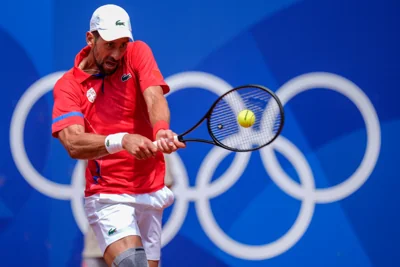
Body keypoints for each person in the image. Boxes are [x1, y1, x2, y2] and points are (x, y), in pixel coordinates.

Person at [52, 4, 186, 267]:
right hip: (108, 195)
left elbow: (154, 97)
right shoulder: (68, 86)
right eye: (110, 44)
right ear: (91, 38)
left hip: (150, 187)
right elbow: (73, 143)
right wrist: (122, 139)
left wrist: (160, 129)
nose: (117, 53)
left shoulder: (137, 53)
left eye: (123, 44)